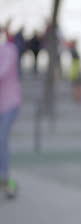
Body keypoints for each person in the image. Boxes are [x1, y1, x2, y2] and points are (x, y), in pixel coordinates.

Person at [0, 30, 22, 199]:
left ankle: (6, 179)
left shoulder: (9, 49)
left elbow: (3, 71)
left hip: (9, 104)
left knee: (2, 140)